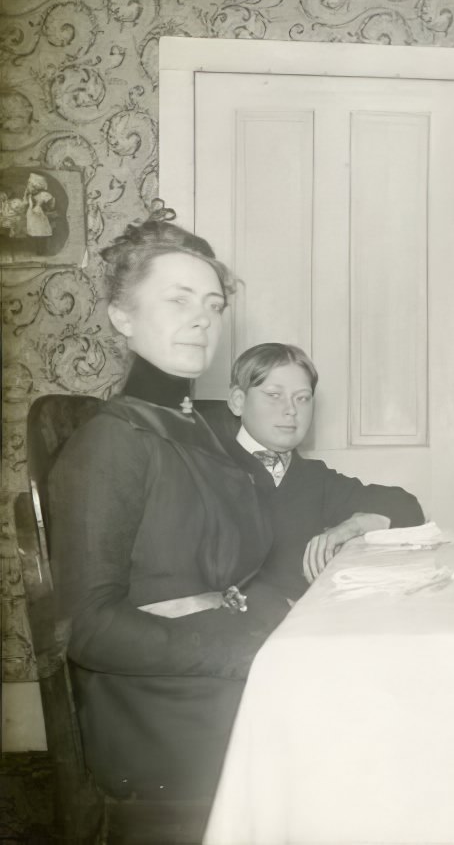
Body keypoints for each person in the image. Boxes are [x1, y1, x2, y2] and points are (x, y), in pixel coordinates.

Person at [49, 213, 291, 800]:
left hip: (204, 676)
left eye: (211, 306)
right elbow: (89, 629)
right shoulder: (113, 439)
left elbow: (239, 571)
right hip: (154, 704)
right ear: (122, 316)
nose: (201, 322)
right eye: (178, 300)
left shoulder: (204, 430)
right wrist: (241, 650)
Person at [219, 343, 425, 600]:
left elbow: (407, 507)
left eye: (302, 398)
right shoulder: (205, 470)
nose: (291, 409)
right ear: (238, 402)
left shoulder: (312, 477)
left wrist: (356, 525)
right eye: (274, 395)